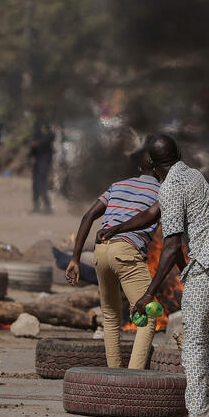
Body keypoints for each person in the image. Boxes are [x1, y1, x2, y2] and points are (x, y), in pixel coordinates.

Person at [99, 135, 209, 417]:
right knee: (208, 332)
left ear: (153, 167)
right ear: (179, 155)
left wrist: (149, 293)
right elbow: (153, 213)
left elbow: (169, 248)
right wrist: (118, 227)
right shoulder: (192, 174)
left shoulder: (169, 187)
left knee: (193, 339)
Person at [66, 150, 159, 370]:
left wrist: (75, 259)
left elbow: (88, 216)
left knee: (110, 317)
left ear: (139, 169)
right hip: (127, 250)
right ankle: (133, 377)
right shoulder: (164, 190)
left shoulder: (117, 186)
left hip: (101, 251)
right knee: (149, 316)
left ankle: (114, 376)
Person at [29, 120, 55, 214]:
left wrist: (38, 143)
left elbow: (51, 137)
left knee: (42, 183)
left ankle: (47, 207)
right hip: (37, 161)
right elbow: (32, 147)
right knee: (35, 184)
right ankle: (36, 206)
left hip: (44, 161)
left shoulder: (49, 135)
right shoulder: (37, 133)